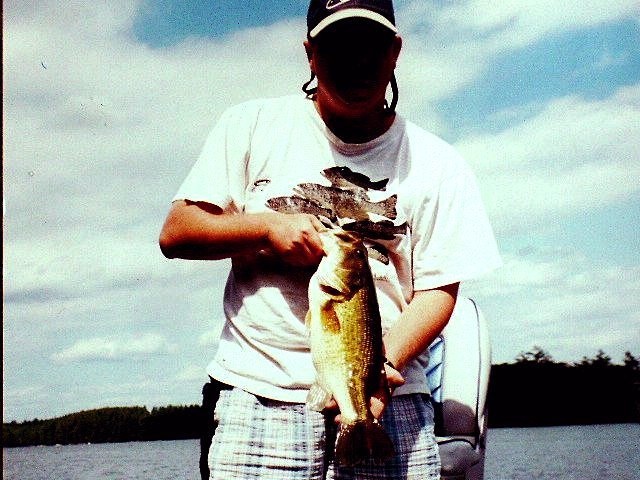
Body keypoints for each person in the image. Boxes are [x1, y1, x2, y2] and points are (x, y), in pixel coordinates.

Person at [159, 0, 501, 479]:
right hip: (258, 396)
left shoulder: (439, 163)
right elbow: (178, 232)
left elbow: (439, 291)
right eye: (339, 46)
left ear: (395, 51)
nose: (357, 61)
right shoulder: (251, 126)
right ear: (311, 54)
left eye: (372, 45)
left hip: (390, 399)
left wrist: (379, 371)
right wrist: (265, 227)